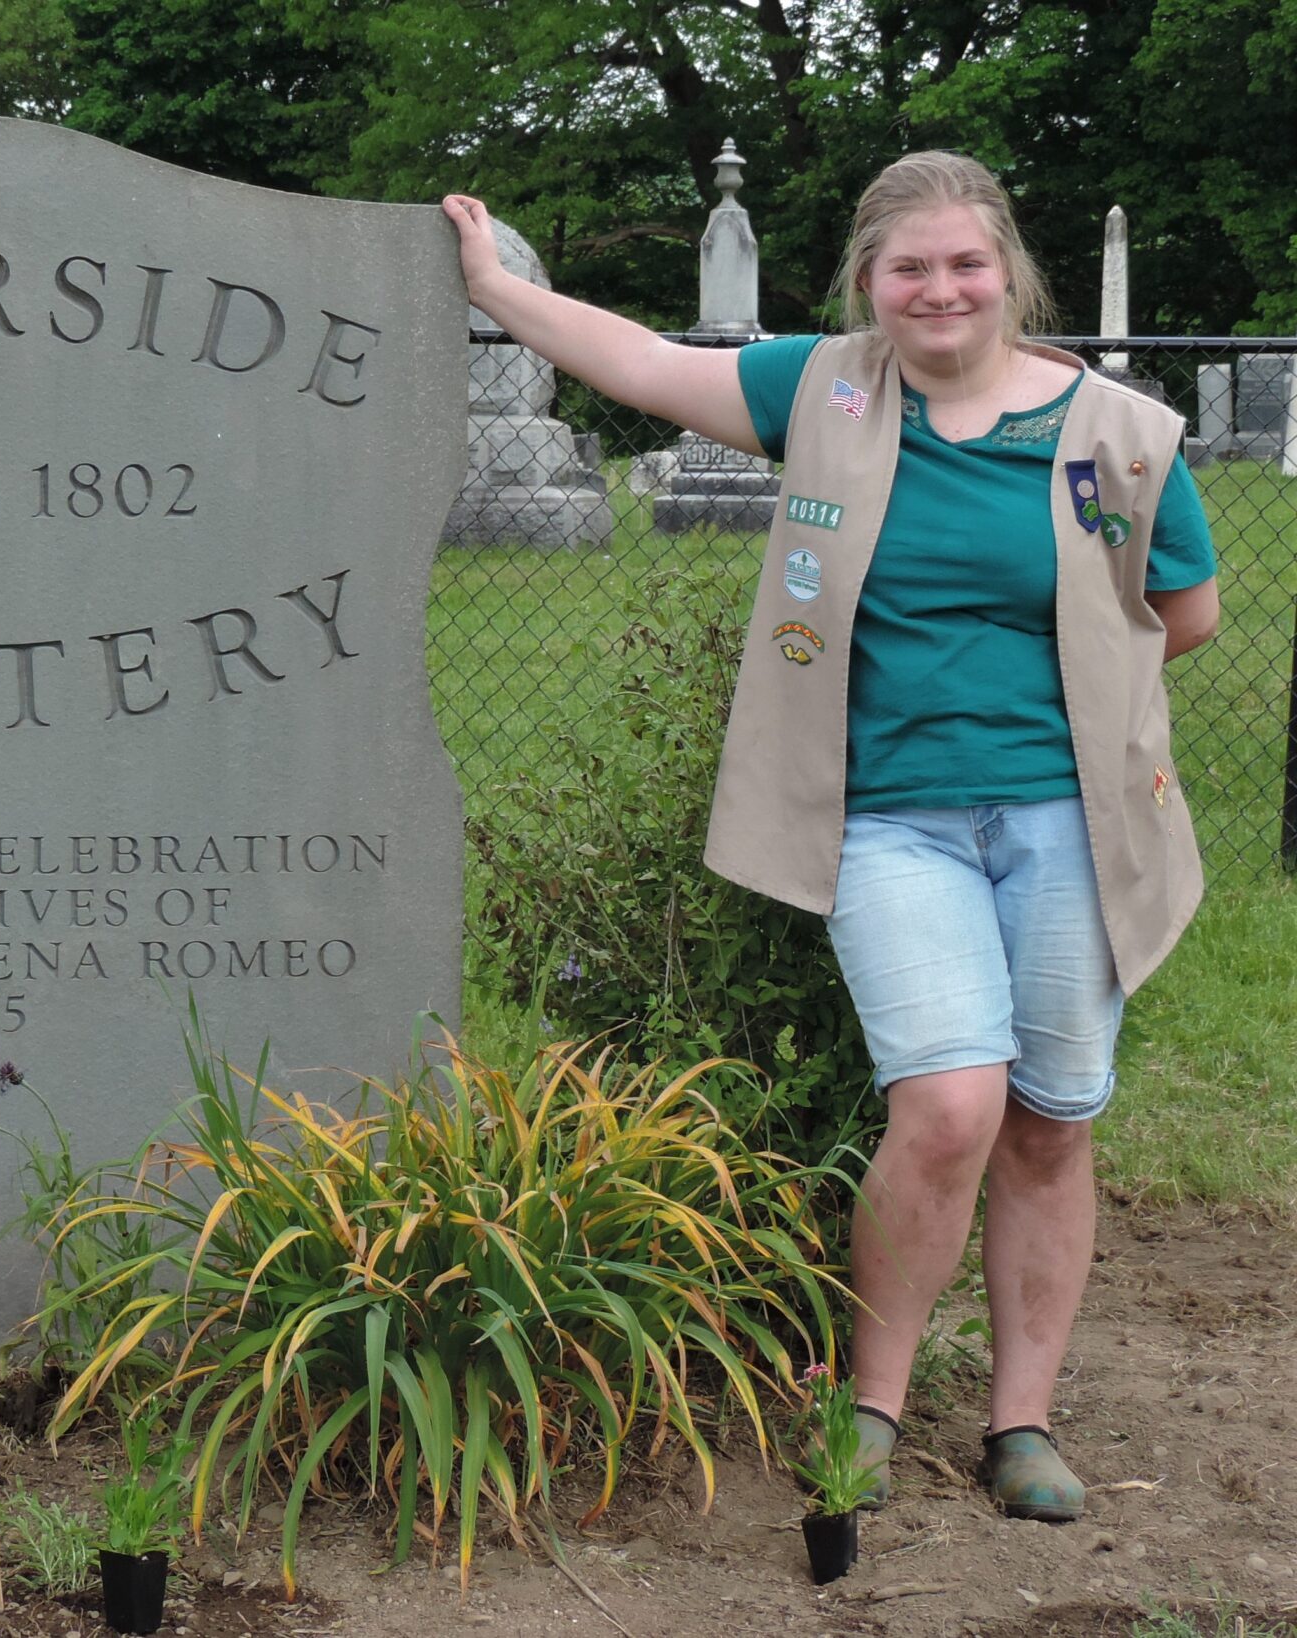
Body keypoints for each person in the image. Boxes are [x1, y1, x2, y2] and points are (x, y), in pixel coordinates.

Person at [442, 152, 1219, 1522]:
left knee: (1048, 1121)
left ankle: (1020, 1424)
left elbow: (1183, 614)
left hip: (1069, 827)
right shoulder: (825, 391)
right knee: (948, 1106)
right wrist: (497, 284)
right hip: (890, 820)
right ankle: (870, 1402)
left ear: (1010, 274)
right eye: (908, 267)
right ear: (869, 282)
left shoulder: (1123, 434)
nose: (939, 289)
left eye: (966, 264)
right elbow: (637, 362)